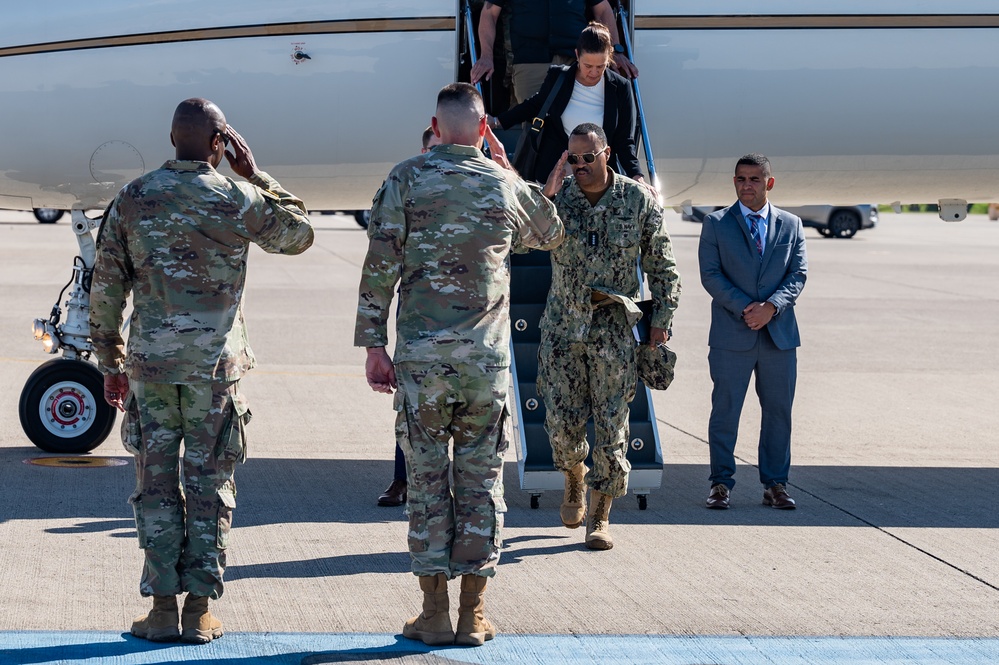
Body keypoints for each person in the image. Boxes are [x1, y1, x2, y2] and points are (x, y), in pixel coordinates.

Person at [90, 98, 315, 644]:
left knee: (156, 485)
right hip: (215, 371)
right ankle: (198, 611)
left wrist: (109, 361)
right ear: (220, 144)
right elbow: (300, 233)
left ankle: (162, 608)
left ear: (171, 138)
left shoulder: (133, 198)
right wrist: (254, 172)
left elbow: (106, 289)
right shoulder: (237, 195)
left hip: (153, 367)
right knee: (210, 485)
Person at [355, 83, 563, 646]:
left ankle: (434, 614)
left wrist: (374, 344)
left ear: (435, 125)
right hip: (484, 367)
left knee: (426, 484)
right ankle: (473, 615)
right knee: (480, 485)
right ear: (482, 127)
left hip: (422, 364)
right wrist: (504, 164)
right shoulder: (500, 181)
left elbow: (380, 268)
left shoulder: (406, 178)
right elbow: (551, 231)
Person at [539, 123, 679, 550]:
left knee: (612, 426)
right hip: (563, 330)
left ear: (607, 153)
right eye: (573, 158)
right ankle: (573, 476)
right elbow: (522, 242)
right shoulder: (558, 200)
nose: (580, 166)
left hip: (613, 332)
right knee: (562, 427)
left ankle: (600, 515)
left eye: (587, 157)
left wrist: (661, 319)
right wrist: (545, 196)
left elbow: (663, 264)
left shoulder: (636, 201)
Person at [697, 153, 808, 510]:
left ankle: (775, 483)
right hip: (733, 333)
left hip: (779, 337)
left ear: (769, 183)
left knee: (779, 413)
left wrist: (771, 307)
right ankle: (720, 484)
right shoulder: (716, 223)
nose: (747, 186)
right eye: (741, 179)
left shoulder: (791, 225)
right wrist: (749, 309)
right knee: (725, 411)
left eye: (754, 180)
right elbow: (711, 275)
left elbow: (798, 275)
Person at [487, 22, 646, 188]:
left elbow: (624, 140)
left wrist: (637, 175)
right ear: (577, 55)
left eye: (600, 66)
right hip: (555, 174)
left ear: (609, 58)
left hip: (597, 179)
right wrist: (498, 121)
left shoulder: (620, 88)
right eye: (588, 66)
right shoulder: (558, 78)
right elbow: (535, 105)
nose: (593, 73)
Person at [377, 125, 444, 508]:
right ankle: (402, 480)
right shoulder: (405, 186)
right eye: (433, 151)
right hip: (417, 314)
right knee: (410, 401)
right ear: (422, 152)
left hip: (463, 318)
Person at [471, 0, 638, 104]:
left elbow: (603, 10)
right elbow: (489, 14)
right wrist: (486, 56)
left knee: (580, 123)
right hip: (530, 61)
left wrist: (615, 51)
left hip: (577, 62)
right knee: (534, 126)